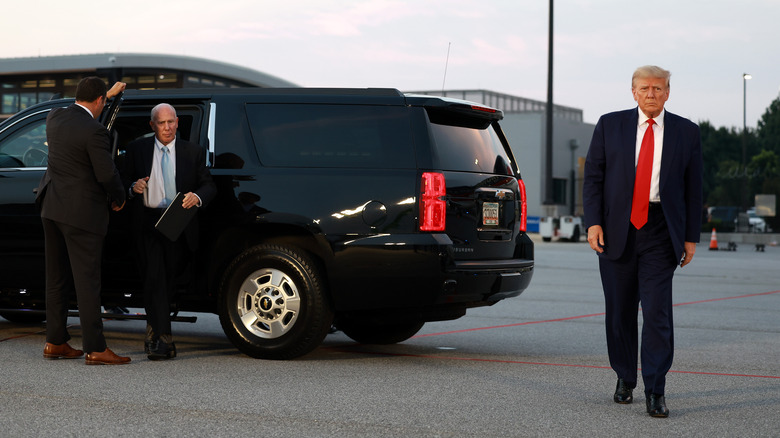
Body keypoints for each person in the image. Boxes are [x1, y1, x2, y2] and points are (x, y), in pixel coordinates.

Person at [582, 65, 703, 418]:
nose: (651, 94)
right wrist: (593, 224)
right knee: (619, 312)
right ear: (633, 92)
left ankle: (655, 389)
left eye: (658, 88)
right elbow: (593, 179)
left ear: (668, 93)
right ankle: (624, 376)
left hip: (662, 231)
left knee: (656, 312)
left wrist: (691, 237)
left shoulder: (687, 132)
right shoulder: (609, 125)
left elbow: (694, 189)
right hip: (617, 229)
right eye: (645, 88)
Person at [37, 76, 131, 365]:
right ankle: (95, 348)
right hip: (82, 215)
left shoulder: (55, 118)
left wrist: (108, 93)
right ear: (100, 101)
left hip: (51, 210)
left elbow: (76, 114)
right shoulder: (95, 131)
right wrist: (120, 196)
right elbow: (106, 174)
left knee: (56, 279)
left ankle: (55, 342)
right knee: (87, 283)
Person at [122, 103, 216, 360]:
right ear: (152, 125)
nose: (167, 128)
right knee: (155, 278)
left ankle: (154, 331)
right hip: (148, 223)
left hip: (178, 223)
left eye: (171, 122)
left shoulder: (193, 152)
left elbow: (209, 185)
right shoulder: (137, 149)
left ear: (177, 122)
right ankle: (163, 340)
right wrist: (133, 187)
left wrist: (196, 197)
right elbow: (121, 181)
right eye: (162, 123)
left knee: (168, 281)